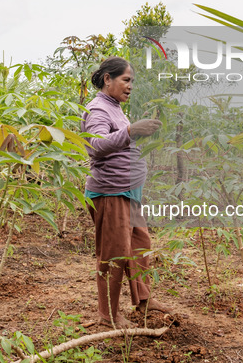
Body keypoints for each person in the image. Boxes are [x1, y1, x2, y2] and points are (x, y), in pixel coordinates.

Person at [81, 56, 171, 328]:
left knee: (139, 245)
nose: (130, 86)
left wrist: (138, 133)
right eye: (126, 80)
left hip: (128, 191)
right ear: (108, 78)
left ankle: (143, 301)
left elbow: (119, 141)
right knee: (114, 254)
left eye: (132, 81)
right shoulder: (98, 109)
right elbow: (95, 145)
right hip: (110, 192)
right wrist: (132, 131)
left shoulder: (116, 108)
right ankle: (108, 316)